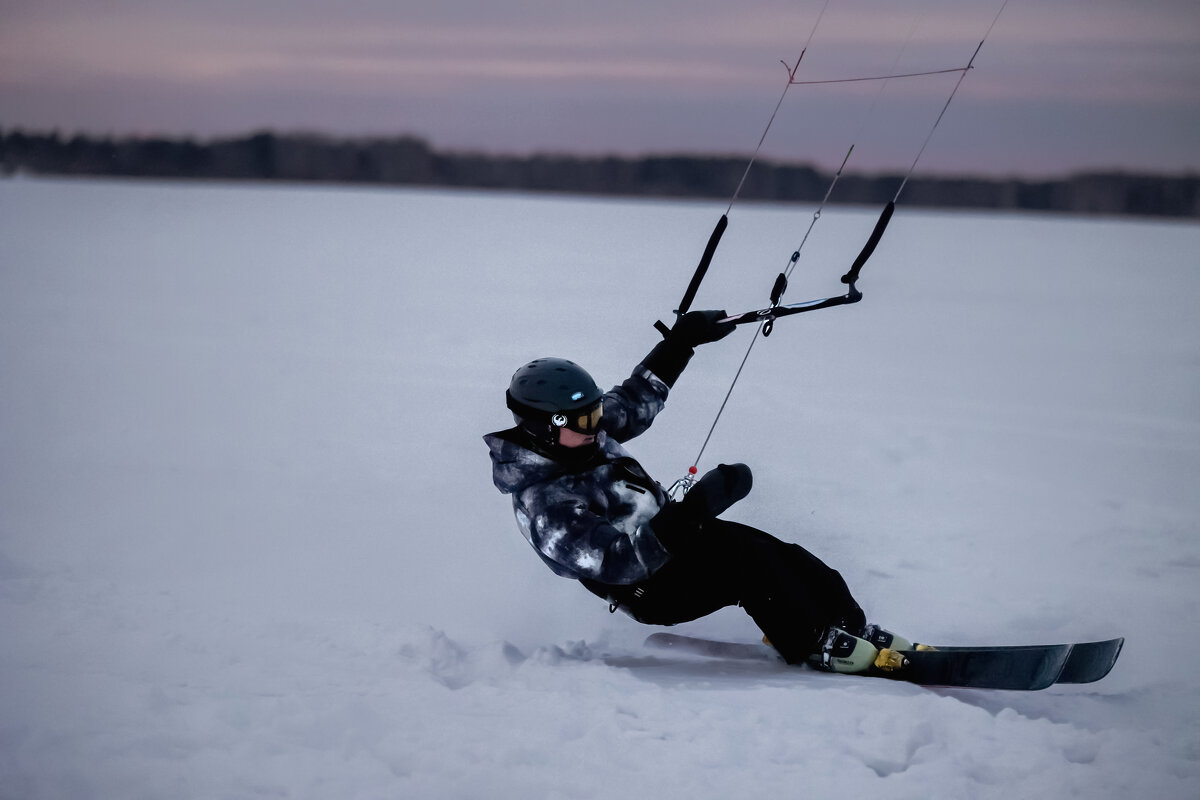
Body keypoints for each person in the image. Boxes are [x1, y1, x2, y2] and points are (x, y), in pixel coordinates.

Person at [484, 310, 909, 672]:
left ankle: (849, 624)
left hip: (675, 543)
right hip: (650, 588)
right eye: (582, 420)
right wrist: (694, 510)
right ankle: (816, 643)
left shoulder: (583, 435)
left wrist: (683, 340)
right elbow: (619, 563)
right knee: (750, 569)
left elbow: (634, 400)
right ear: (545, 429)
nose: (597, 424)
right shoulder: (545, 504)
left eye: (594, 411)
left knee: (778, 552)